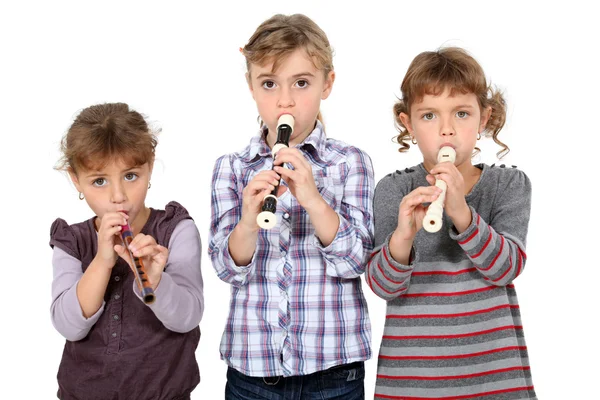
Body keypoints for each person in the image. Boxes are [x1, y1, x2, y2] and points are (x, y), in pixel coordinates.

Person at [208, 13, 374, 400]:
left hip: (335, 371)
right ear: (251, 86)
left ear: (327, 84)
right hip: (253, 373)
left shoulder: (349, 162)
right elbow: (226, 269)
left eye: (301, 83)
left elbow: (356, 261)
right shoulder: (231, 168)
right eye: (269, 84)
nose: (284, 100)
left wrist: (313, 200)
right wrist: (248, 222)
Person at [366, 47, 536, 399]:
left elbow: (506, 267)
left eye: (461, 113)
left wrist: (462, 212)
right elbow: (383, 286)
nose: (446, 130)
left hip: (493, 382)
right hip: (411, 382)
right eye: (429, 116)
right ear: (408, 123)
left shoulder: (508, 185)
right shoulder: (393, 189)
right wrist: (402, 237)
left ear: (484, 118)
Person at [50, 102, 204, 400]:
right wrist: (102, 261)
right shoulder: (72, 241)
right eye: (99, 181)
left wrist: (155, 279)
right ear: (75, 180)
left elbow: (188, 317)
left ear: (150, 165)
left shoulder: (176, 229)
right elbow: (69, 326)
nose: (118, 196)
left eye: (131, 176)